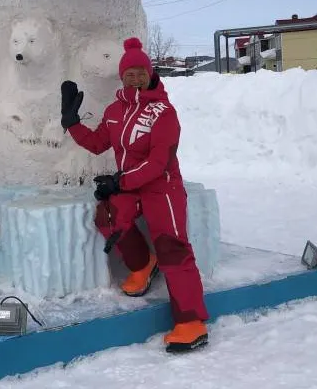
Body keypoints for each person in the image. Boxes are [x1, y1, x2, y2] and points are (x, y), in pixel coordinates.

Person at [59, 37, 210, 353]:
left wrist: (119, 182)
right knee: (109, 215)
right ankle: (142, 263)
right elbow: (99, 142)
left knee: (173, 246)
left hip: (161, 187)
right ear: (122, 76)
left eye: (141, 72)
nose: (136, 78)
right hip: (130, 184)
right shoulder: (115, 110)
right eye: (130, 73)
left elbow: (158, 163)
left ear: (150, 73)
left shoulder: (163, 112)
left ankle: (191, 322)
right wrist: (72, 122)